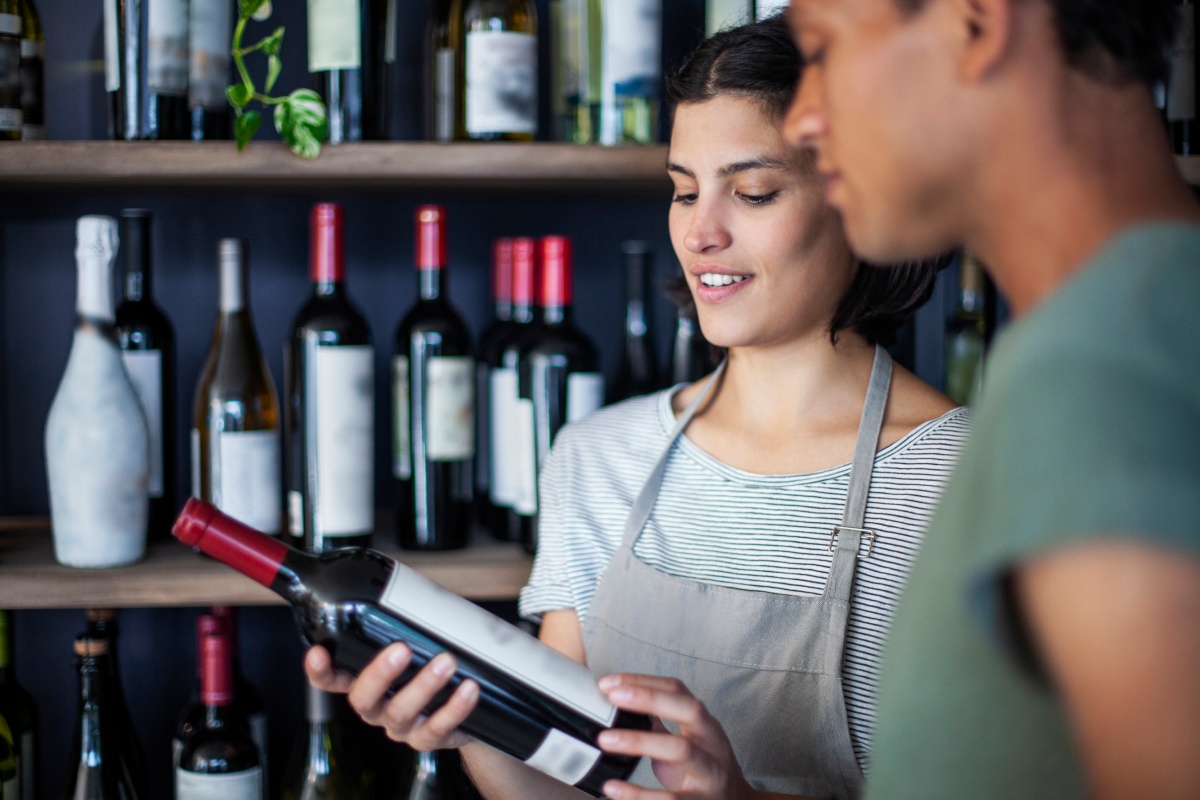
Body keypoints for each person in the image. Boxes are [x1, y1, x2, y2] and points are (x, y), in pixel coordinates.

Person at [307, 15, 968, 800]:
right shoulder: (597, 457)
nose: (699, 232)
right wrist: (470, 723)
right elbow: (561, 784)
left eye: (753, 191)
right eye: (684, 191)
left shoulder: (963, 484)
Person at [784, 0, 1200, 798]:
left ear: (975, 24)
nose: (802, 117)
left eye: (823, 50)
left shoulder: (1106, 362)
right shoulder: (1133, 322)